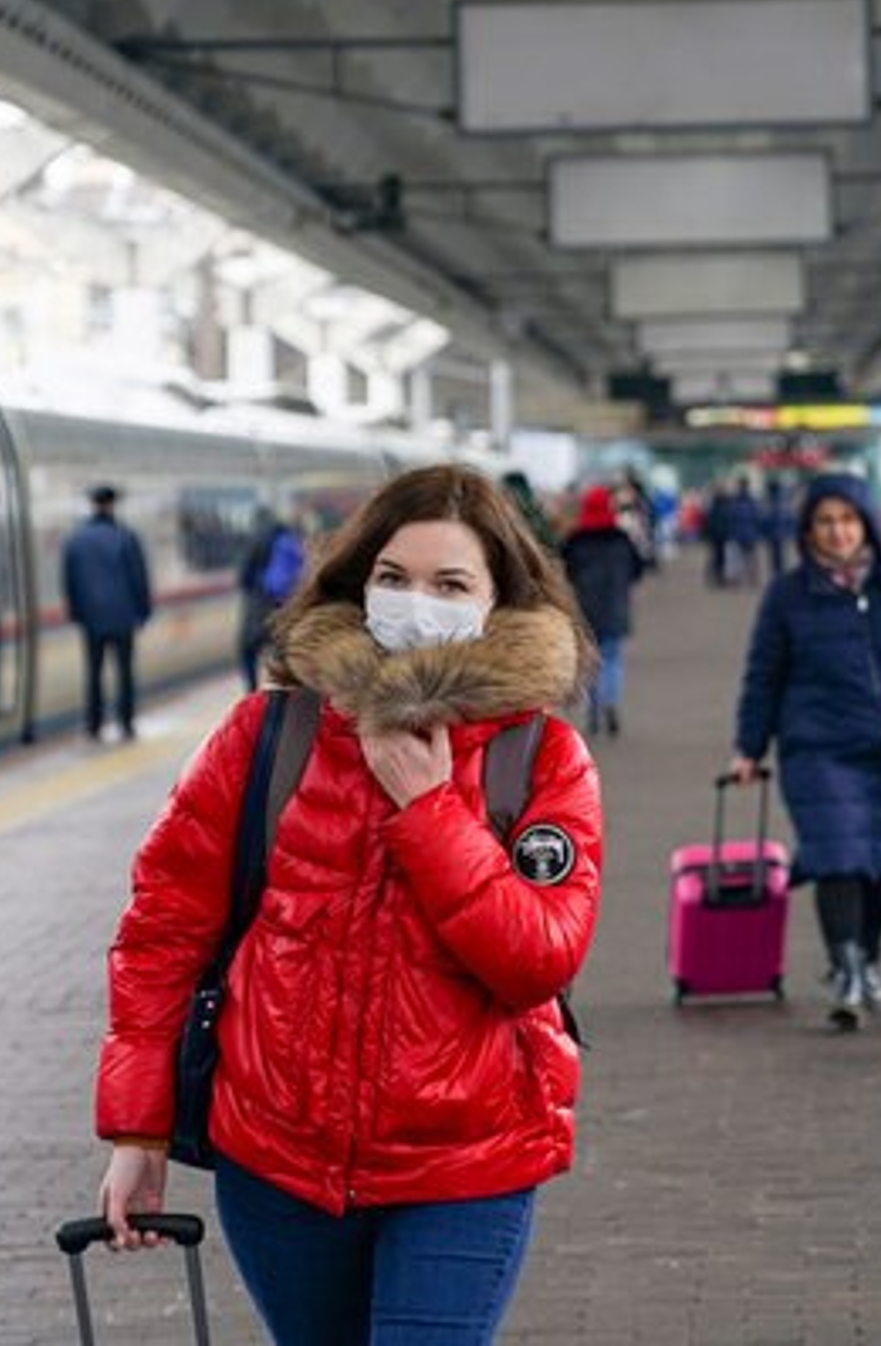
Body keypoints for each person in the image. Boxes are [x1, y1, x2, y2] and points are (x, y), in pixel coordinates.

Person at [94, 463, 603, 1344]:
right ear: (357, 582)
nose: (416, 603)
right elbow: (163, 931)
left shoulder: (542, 758)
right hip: (277, 1162)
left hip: (464, 1164)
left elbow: (537, 963)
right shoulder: (269, 735)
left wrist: (432, 813)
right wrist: (137, 1130)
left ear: (498, 603)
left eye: (451, 584)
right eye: (394, 578)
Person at [728, 472, 881, 1032]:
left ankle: (869, 958)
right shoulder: (787, 594)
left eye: (848, 520)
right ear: (808, 531)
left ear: (868, 526)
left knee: (879, 859)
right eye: (826, 522)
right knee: (837, 855)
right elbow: (764, 674)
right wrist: (749, 747)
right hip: (816, 749)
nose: (838, 532)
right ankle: (846, 966)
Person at [62, 485, 153, 740]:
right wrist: (143, 611)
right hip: (124, 617)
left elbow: (70, 581)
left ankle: (94, 724)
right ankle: (126, 723)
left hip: (91, 619)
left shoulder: (76, 539)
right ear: (112, 505)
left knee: (93, 672)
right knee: (124, 672)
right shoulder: (126, 536)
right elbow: (138, 577)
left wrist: (77, 613)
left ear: (93, 505)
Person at [561, 484, 644, 738]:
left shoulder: (575, 539)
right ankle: (610, 702)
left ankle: (594, 708)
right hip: (614, 606)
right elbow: (638, 569)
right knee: (612, 659)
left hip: (585, 609)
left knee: (590, 662)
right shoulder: (621, 538)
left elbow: (566, 571)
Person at [235, 507, 305, 691]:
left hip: (259, 606)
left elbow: (243, 577)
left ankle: (251, 691)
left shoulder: (256, 539)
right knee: (281, 651)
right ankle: (282, 692)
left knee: (247, 650)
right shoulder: (289, 538)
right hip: (284, 605)